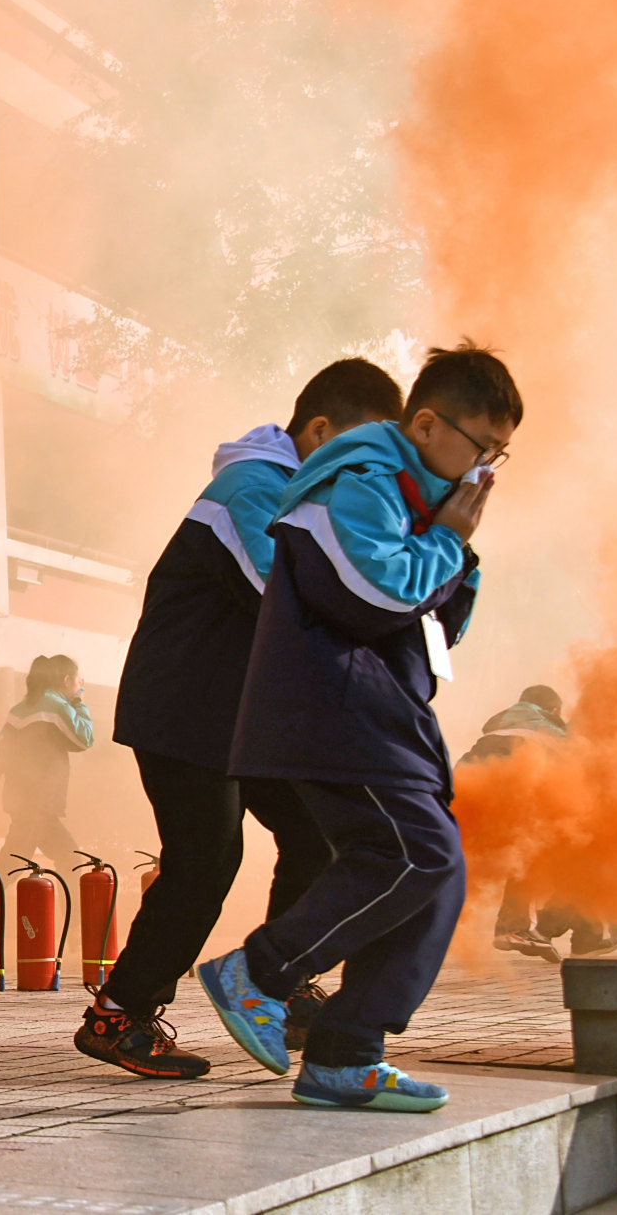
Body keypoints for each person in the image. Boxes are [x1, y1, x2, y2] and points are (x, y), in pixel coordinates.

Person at [199, 342, 522, 1113]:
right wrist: (446, 540)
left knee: (438, 873)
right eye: (482, 447)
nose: (486, 470)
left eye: (500, 456)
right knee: (416, 851)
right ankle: (260, 971)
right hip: (334, 709)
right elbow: (372, 594)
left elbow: (435, 622)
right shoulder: (358, 479)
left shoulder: (417, 498)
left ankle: (347, 1052)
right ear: (426, 423)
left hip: (385, 714)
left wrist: (451, 545)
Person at [78, 358, 402, 1079]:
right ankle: (119, 1014)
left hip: (242, 720)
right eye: (363, 453)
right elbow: (286, 601)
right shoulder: (250, 489)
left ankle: (279, 985)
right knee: (207, 856)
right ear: (320, 430)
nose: (371, 474)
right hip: (185, 708)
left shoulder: (302, 495)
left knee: (316, 831)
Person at [469, 686, 597, 963]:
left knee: (462, 857)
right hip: (513, 787)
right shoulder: (550, 729)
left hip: (468, 786)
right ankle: (515, 929)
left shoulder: (501, 725)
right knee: (532, 852)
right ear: (553, 709)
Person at [0, 656, 93, 874]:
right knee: (12, 866)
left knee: (66, 859)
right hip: (40, 805)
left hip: (24, 802)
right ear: (67, 680)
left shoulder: (19, 709)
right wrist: (79, 703)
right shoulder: (56, 707)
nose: (80, 686)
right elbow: (84, 738)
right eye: (79, 681)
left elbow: (0, 754)